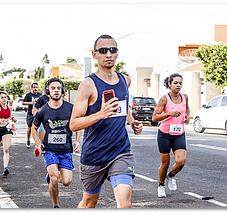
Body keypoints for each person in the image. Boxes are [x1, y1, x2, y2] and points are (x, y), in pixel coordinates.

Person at [70, 34, 143, 208]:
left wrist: (131, 122)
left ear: (117, 53)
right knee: (89, 203)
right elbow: (73, 123)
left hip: (120, 151)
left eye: (113, 50)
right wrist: (100, 114)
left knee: (125, 204)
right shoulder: (88, 85)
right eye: (103, 51)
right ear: (95, 55)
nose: (108, 54)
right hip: (94, 154)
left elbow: (122, 107)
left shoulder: (125, 80)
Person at [31, 77, 81, 208]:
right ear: (48, 91)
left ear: (62, 90)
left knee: (66, 181)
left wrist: (77, 140)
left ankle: (52, 173)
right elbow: (34, 128)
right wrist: (38, 143)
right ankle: (56, 205)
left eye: (59, 88)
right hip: (49, 149)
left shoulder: (71, 108)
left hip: (65, 149)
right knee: (54, 179)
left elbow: (78, 124)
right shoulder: (42, 110)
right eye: (53, 88)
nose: (56, 90)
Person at [152, 73, 190, 198]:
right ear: (169, 84)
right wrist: (169, 114)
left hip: (179, 133)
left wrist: (187, 117)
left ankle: (171, 175)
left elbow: (187, 109)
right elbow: (154, 117)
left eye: (180, 83)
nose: (178, 85)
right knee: (165, 164)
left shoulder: (185, 97)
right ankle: (161, 185)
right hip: (165, 134)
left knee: (181, 162)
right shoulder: (164, 99)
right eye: (175, 83)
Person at [32, 79, 50, 156]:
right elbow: (34, 110)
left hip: (54, 121)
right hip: (43, 121)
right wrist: (42, 116)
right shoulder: (42, 98)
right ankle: (38, 146)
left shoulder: (58, 99)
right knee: (43, 143)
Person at [22, 82, 41, 148]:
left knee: (38, 128)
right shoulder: (28, 95)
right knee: (29, 128)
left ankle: (38, 142)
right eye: (34, 87)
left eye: (36, 87)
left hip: (38, 114)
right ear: (32, 88)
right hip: (30, 113)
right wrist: (31, 103)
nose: (35, 89)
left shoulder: (40, 95)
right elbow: (23, 103)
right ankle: (28, 140)